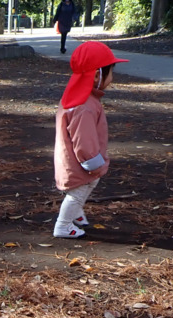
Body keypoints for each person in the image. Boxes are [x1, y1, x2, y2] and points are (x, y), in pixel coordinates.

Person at [52, 41, 128, 239]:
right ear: (96, 75)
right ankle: (63, 225)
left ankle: (76, 215)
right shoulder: (84, 105)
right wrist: (92, 162)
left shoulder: (80, 96)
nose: (112, 77)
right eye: (110, 71)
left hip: (75, 159)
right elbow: (83, 139)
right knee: (78, 191)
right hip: (80, 162)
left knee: (86, 186)